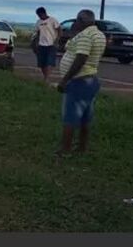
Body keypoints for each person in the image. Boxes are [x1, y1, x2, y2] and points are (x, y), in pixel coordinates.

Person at [56, 9, 106, 156]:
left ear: (81, 21)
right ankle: (82, 148)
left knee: (70, 117)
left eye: (77, 21)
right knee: (85, 117)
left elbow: (81, 58)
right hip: (90, 79)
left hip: (79, 80)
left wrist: (65, 80)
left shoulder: (85, 36)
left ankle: (65, 150)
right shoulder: (98, 34)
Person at [34, 7, 61, 83]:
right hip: (41, 45)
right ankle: (45, 76)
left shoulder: (52, 20)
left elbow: (59, 30)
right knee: (42, 63)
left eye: (40, 15)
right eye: (38, 15)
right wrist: (36, 42)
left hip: (51, 44)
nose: (39, 17)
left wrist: (57, 41)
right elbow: (38, 32)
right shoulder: (38, 22)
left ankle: (46, 78)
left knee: (49, 61)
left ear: (44, 13)